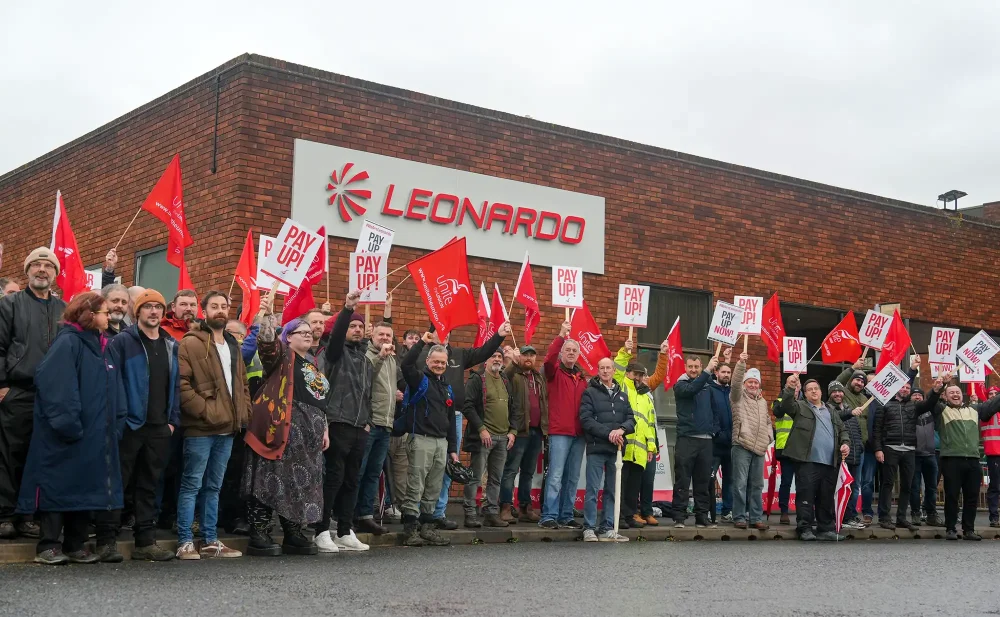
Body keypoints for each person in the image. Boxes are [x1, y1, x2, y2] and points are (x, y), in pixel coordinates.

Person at [16, 292, 127, 565]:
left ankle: (76, 544)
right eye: (103, 311)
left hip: (97, 436)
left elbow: (117, 389)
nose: (108, 315)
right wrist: (70, 426)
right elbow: (57, 387)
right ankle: (49, 546)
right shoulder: (68, 343)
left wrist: (117, 424)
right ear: (89, 315)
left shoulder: (105, 345)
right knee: (58, 488)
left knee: (85, 490)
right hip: (68, 435)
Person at [94, 290, 180, 562]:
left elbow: (175, 386)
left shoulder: (170, 344)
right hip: (129, 426)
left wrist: (171, 422)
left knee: (149, 485)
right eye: (148, 307)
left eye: (158, 307)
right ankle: (105, 541)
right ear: (137, 312)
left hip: (159, 428)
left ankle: (146, 541)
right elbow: (110, 382)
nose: (154, 312)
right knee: (117, 483)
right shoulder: (122, 342)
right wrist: (119, 421)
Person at [242, 309, 330, 556]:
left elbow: (320, 399)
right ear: (288, 337)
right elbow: (267, 345)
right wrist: (267, 321)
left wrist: (325, 429)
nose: (308, 334)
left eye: (308, 332)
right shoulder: (282, 356)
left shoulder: (312, 363)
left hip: (308, 437)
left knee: (299, 484)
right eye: (301, 331)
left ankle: (294, 533)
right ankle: (259, 533)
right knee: (267, 479)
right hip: (279, 431)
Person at [176, 291, 250, 559]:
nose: (220, 310)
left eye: (224, 306)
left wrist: (244, 413)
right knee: (191, 485)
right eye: (214, 306)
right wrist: (207, 412)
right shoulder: (191, 343)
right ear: (203, 311)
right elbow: (182, 386)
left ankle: (210, 540)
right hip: (201, 428)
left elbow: (241, 384)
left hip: (228, 429)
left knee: (214, 487)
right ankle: (185, 541)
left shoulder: (232, 343)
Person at [0, 248, 67, 540]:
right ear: (27, 271)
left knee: (39, 457)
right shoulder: (9, 304)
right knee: (8, 454)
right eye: (36, 265)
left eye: (48, 266)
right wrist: (2, 385)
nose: (42, 270)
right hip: (18, 391)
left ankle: (28, 515)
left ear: (54, 274)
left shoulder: (64, 309)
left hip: (52, 396)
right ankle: (4, 514)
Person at [314, 291, 381, 553]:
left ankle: (344, 529)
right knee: (334, 478)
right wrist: (347, 309)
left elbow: (369, 394)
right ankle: (321, 530)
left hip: (359, 427)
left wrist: (367, 422)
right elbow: (336, 338)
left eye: (360, 326)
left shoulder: (365, 361)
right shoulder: (334, 353)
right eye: (352, 325)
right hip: (337, 422)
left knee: (352, 479)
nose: (356, 329)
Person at [431, 324, 507, 530]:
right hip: (429, 417)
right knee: (429, 467)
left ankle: (438, 513)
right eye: (440, 331)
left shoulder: (458, 354)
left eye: (447, 332)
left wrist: (498, 336)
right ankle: (424, 514)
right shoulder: (423, 356)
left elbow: (483, 352)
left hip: (453, 416)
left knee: (450, 466)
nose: (444, 336)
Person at [397, 333, 462, 547]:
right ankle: (409, 530)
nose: (439, 365)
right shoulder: (418, 379)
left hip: (441, 443)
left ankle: (427, 529)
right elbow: (406, 364)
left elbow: (451, 419)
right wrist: (422, 343)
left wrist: (452, 448)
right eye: (435, 361)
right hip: (421, 439)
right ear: (427, 361)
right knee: (415, 485)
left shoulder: (446, 387)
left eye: (443, 363)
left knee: (433, 487)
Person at [779, 375, 851, 541]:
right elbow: (785, 405)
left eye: (816, 388)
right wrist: (789, 388)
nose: (813, 391)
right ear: (805, 393)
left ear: (821, 391)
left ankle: (825, 528)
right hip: (807, 461)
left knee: (826, 496)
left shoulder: (831, 410)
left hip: (829, 462)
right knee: (806, 495)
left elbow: (842, 431)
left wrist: (845, 443)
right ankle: (804, 528)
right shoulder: (799, 406)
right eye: (809, 389)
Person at [355, 317, 404, 535]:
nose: (385, 338)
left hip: (386, 423)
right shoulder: (366, 355)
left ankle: (365, 515)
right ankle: (348, 515)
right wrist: (381, 357)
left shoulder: (393, 359)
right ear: (372, 336)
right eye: (380, 335)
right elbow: (364, 379)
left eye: (388, 336)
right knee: (359, 471)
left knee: (374, 473)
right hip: (369, 422)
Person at [932, 381, 1000, 541]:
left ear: (962, 395)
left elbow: (993, 404)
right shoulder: (942, 410)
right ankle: (950, 528)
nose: (955, 394)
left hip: (973, 460)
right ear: (945, 396)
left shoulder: (975, 409)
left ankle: (969, 529)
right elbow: (930, 403)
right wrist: (938, 388)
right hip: (951, 460)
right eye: (951, 393)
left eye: (957, 392)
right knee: (952, 496)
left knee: (972, 497)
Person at [462, 349, 522, 528]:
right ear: (485, 360)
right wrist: (481, 429)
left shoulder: (505, 380)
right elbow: (468, 406)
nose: (496, 359)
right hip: (483, 437)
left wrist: (513, 431)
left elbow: (514, 408)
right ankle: (470, 513)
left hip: (503, 438)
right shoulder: (476, 379)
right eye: (493, 356)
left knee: (496, 478)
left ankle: (491, 513)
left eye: (499, 357)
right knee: (475, 477)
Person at [873, 378, 942, 531]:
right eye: (902, 387)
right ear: (896, 388)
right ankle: (884, 518)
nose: (904, 389)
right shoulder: (884, 405)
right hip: (890, 448)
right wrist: (878, 449)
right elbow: (877, 429)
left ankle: (901, 518)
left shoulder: (914, 406)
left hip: (910, 449)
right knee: (887, 484)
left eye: (907, 387)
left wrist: (936, 391)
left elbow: (929, 404)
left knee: (907, 486)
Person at [538, 321, 588, 530]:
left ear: (578, 355)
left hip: (579, 434)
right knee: (556, 475)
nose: (570, 353)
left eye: (574, 350)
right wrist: (560, 336)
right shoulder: (554, 372)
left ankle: (566, 514)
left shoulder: (583, 379)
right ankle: (549, 514)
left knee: (572, 477)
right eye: (567, 349)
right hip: (559, 432)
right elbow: (548, 359)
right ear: (561, 353)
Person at [579, 357, 635, 543]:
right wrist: (609, 433)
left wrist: (622, 430)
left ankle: (607, 527)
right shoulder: (589, 393)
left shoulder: (622, 395)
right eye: (601, 368)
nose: (605, 371)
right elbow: (586, 420)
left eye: (608, 368)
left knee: (612, 490)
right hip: (596, 448)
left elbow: (631, 419)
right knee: (593, 490)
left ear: (613, 370)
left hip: (616, 450)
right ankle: (589, 528)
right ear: (598, 370)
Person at [500, 345, 548, 524]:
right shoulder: (513, 374)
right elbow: (503, 378)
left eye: (532, 355)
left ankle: (525, 507)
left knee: (528, 472)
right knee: (511, 470)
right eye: (525, 355)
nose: (528, 358)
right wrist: (513, 363)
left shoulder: (538, 377)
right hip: (518, 430)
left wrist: (546, 428)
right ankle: (505, 506)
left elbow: (544, 403)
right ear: (520, 357)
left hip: (536, 430)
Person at [671, 353, 720, 529]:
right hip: (686, 439)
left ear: (700, 367)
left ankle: (702, 517)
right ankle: (679, 518)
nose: (693, 370)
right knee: (682, 480)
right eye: (690, 367)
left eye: (697, 367)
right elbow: (693, 389)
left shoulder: (708, 385)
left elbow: (715, 410)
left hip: (706, 440)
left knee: (703, 481)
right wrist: (708, 371)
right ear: (686, 367)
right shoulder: (680, 385)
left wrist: (713, 430)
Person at [612, 341, 657, 529]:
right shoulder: (623, 386)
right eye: (635, 374)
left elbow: (650, 423)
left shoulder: (646, 396)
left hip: (640, 449)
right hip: (625, 444)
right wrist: (625, 351)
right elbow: (617, 369)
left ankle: (629, 516)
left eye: (640, 375)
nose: (638, 377)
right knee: (620, 485)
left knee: (633, 487)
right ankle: (619, 517)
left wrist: (651, 446)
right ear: (628, 374)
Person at [728, 353, 770, 531]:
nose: (753, 385)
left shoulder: (763, 402)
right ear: (745, 383)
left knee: (757, 485)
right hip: (742, 444)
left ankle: (755, 517)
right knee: (740, 483)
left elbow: (768, 420)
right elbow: (735, 383)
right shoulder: (737, 397)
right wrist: (741, 364)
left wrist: (768, 437)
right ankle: (739, 517)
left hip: (759, 448)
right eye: (750, 381)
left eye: (756, 382)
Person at [386, 328, 424, 523]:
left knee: (401, 474)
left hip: (400, 428)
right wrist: (390, 395)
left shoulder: (404, 368)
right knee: (377, 474)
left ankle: (400, 507)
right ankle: (381, 507)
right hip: (380, 426)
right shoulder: (374, 364)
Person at [838, 360, 874, 524]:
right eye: (856, 379)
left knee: (856, 484)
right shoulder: (844, 393)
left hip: (861, 447)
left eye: (862, 381)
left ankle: (851, 514)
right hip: (846, 444)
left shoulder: (866, 399)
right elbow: (838, 381)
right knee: (843, 483)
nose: (859, 382)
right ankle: (842, 514)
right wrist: (853, 368)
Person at [828, 381, 864, 530]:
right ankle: (840, 517)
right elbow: (836, 419)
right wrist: (850, 413)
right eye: (834, 391)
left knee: (853, 488)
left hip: (855, 455)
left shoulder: (848, 408)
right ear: (830, 394)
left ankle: (849, 516)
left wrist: (860, 446)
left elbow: (856, 431)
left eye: (840, 391)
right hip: (840, 456)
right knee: (840, 489)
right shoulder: (828, 408)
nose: (838, 394)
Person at [708, 349, 733, 524]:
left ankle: (728, 510)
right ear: (717, 373)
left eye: (728, 372)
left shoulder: (733, 391)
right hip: (715, 443)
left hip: (732, 443)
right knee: (709, 478)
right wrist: (717, 433)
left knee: (730, 480)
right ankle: (710, 511)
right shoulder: (710, 389)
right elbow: (710, 413)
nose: (726, 374)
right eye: (723, 372)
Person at [910, 387, 942, 527]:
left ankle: (931, 514)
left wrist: (938, 388)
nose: (917, 397)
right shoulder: (909, 411)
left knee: (931, 487)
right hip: (914, 455)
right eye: (914, 395)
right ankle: (916, 514)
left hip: (930, 454)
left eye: (919, 395)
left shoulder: (931, 411)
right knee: (915, 487)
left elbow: (934, 401)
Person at [770, 393, 795, 525]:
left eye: (797, 386)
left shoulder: (803, 401)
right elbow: (777, 412)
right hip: (785, 448)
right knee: (786, 482)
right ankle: (784, 511)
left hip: (801, 448)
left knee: (805, 483)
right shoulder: (778, 401)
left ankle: (806, 512)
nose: (795, 389)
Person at [979, 385, 1000, 527]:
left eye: (995, 393)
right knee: (995, 486)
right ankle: (994, 517)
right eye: (990, 393)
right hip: (994, 454)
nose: (993, 396)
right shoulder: (986, 411)